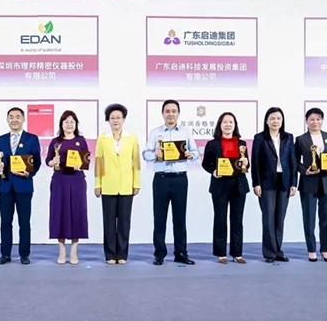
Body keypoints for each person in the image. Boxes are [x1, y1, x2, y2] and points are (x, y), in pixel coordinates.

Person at [142, 99, 200, 266]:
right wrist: (156, 154)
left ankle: (181, 253)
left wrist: (190, 154)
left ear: (178, 114)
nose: (170, 114)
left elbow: (196, 153)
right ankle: (159, 254)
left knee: (180, 218)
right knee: (159, 218)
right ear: (162, 114)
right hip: (161, 179)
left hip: (180, 179)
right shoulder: (155, 133)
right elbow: (146, 154)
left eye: (174, 111)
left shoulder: (186, 132)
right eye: (167, 111)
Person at [94, 103, 140, 265]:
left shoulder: (131, 137)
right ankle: (110, 254)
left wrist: (136, 183)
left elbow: (136, 162)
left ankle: (122, 254)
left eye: (118, 117)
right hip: (108, 185)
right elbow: (98, 162)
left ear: (123, 119)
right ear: (108, 120)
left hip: (127, 186)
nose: (115, 120)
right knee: (109, 223)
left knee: (124, 223)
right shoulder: (103, 138)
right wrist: (97, 184)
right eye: (112, 117)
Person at [202, 112, 250, 264]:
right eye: (225, 122)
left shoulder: (242, 144)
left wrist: (246, 163)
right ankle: (221, 252)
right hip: (220, 186)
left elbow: (246, 165)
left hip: (239, 185)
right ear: (220, 125)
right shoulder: (212, 144)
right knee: (220, 219)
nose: (228, 125)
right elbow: (206, 164)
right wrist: (213, 171)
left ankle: (237, 253)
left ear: (235, 125)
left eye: (231, 122)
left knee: (237, 220)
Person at [0, 107, 41, 264]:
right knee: (5, 222)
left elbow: (37, 161)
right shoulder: (1, 139)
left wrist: (29, 173)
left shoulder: (31, 138)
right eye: (11, 117)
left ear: (23, 119)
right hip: (5, 186)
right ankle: (5, 254)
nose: (14, 120)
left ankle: (24, 254)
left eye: (18, 117)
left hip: (24, 186)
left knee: (24, 222)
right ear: (7, 119)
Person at [251, 107, 297, 263]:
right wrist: (256, 183)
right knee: (268, 218)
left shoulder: (288, 137)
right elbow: (255, 162)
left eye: (278, 118)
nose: (275, 121)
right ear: (266, 121)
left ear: (282, 121)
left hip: (284, 181)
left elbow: (293, 161)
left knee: (280, 218)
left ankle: (278, 251)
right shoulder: (260, 138)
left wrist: (294, 183)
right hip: (266, 182)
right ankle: (269, 253)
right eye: (272, 118)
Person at [295, 108, 327, 262]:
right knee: (309, 218)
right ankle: (311, 249)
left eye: (318, 119)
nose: (315, 122)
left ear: (322, 120)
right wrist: (304, 171)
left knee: (326, 218)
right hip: (309, 183)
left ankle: (325, 249)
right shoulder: (301, 139)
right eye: (312, 119)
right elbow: (295, 161)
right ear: (307, 121)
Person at [47, 111, 89, 265]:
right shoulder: (55, 142)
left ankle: (74, 251)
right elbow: (48, 161)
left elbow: (86, 160)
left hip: (77, 181)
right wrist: (53, 162)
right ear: (61, 124)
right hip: (60, 181)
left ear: (76, 124)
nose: (69, 124)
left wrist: (81, 165)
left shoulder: (81, 140)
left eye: (72, 122)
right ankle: (62, 250)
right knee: (60, 213)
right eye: (66, 122)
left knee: (77, 213)